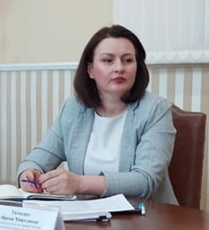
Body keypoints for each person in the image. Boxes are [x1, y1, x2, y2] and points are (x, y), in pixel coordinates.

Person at [18, 25, 178, 203]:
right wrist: (29, 174)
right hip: (88, 216)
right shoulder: (73, 109)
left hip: (147, 215)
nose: (119, 68)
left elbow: (145, 181)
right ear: (90, 70)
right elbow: (36, 160)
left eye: (127, 60)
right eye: (108, 60)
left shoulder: (155, 109)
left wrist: (80, 183)